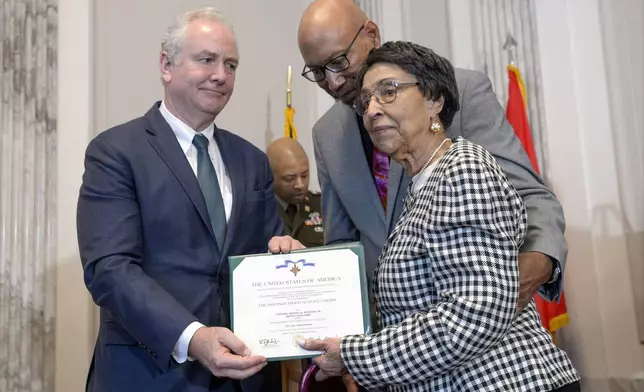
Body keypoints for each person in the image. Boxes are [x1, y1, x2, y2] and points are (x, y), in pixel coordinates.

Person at [299, 40, 580, 392]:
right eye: (366, 99)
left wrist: (355, 355)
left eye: (388, 92)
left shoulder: (461, 169)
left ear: (434, 100)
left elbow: (474, 316)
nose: (371, 109)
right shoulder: (423, 187)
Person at [76, 8, 302, 392]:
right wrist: (194, 338)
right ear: (167, 65)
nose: (221, 74)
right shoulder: (115, 152)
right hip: (149, 374)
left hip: (245, 378)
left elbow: (263, 259)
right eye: (207, 60)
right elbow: (109, 269)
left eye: (230, 64)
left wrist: (285, 259)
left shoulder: (252, 161)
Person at [297, 0, 567, 312]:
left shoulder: (460, 90)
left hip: (480, 321)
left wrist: (533, 267)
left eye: (339, 61)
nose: (333, 82)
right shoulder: (326, 135)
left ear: (371, 34)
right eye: (317, 72)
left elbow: (530, 197)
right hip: (396, 339)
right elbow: (342, 249)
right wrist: (300, 268)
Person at [267, 137, 324, 248]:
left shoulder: (322, 205)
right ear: (270, 176)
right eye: (290, 178)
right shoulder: (260, 212)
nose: (300, 184)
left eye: (304, 175)